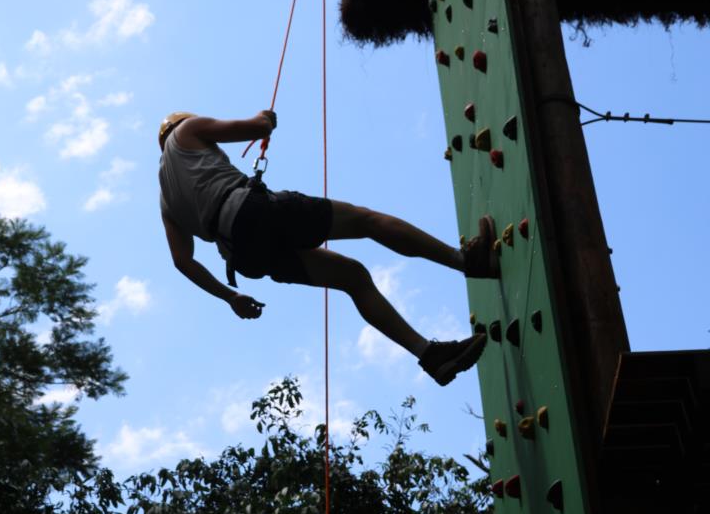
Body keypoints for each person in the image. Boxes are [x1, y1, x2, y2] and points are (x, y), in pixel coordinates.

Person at [158, 110, 500, 386]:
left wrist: (230, 297)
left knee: (353, 277)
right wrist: (265, 120)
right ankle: (467, 261)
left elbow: (182, 261)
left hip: (243, 256)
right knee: (365, 221)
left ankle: (429, 354)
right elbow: (255, 127)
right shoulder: (187, 130)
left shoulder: (165, 198)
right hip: (253, 212)